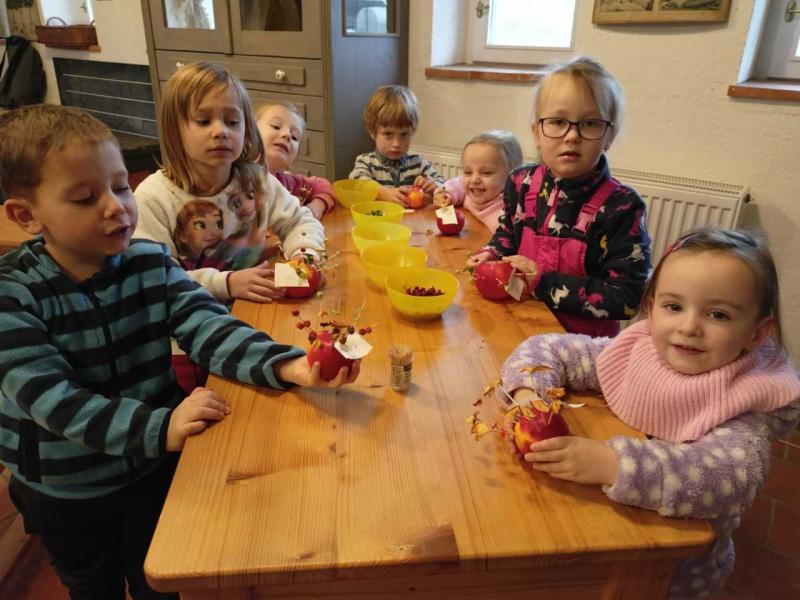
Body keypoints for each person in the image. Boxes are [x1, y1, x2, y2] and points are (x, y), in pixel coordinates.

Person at [0, 104, 359, 600]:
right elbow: (52, 400)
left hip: (152, 469)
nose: (116, 207)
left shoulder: (149, 262)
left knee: (160, 577)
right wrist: (160, 427)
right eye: (85, 198)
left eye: (121, 187)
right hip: (68, 492)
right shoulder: (13, 296)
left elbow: (207, 325)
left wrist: (287, 364)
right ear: (26, 215)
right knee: (92, 585)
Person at [501, 227, 800, 599]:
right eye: (674, 307)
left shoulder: (747, 396)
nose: (689, 327)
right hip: (605, 536)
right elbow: (546, 348)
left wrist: (615, 464)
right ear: (651, 308)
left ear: (756, 334)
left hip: (674, 572)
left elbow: (729, 479)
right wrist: (529, 395)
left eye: (718, 315)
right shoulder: (640, 351)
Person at [468, 56, 650, 337]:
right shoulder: (519, 183)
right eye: (557, 121)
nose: (572, 135)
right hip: (519, 326)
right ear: (537, 133)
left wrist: (541, 282)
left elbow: (627, 298)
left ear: (609, 136)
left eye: (590, 123)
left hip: (581, 348)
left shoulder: (622, 207)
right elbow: (507, 235)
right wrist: (491, 253)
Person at [134, 61, 325, 304]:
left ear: (247, 129)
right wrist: (226, 283)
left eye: (232, 122)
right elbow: (156, 279)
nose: (221, 131)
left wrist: (304, 256)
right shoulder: (152, 198)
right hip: (192, 313)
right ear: (174, 130)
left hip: (254, 303)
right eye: (204, 121)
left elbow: (299, 221)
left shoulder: (258, 181)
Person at [348, 84, 444, 207]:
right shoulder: (366, 162)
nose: (397, 144)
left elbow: (444, 184)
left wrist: (435, 186)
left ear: (412, 132)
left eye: (404, 134)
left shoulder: (419, 164)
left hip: (412, 219)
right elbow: (357, 183)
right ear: (373, 132)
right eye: (388, 134)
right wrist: (383, 193)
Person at [255, 101, 335, 221]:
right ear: (249, 134)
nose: (287, 135)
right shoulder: (237, 182)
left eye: (294, 137)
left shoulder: (289, 183)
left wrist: (318, 204)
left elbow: (321, 184)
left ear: (293, 160)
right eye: (276, 126)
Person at [433, 130, 523, 232]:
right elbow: (457, 183)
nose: (474, 179)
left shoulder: (511, 209)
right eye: (468, 172)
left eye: (486, 173)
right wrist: (447, 194)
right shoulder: (473, 190)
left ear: (513, 177)